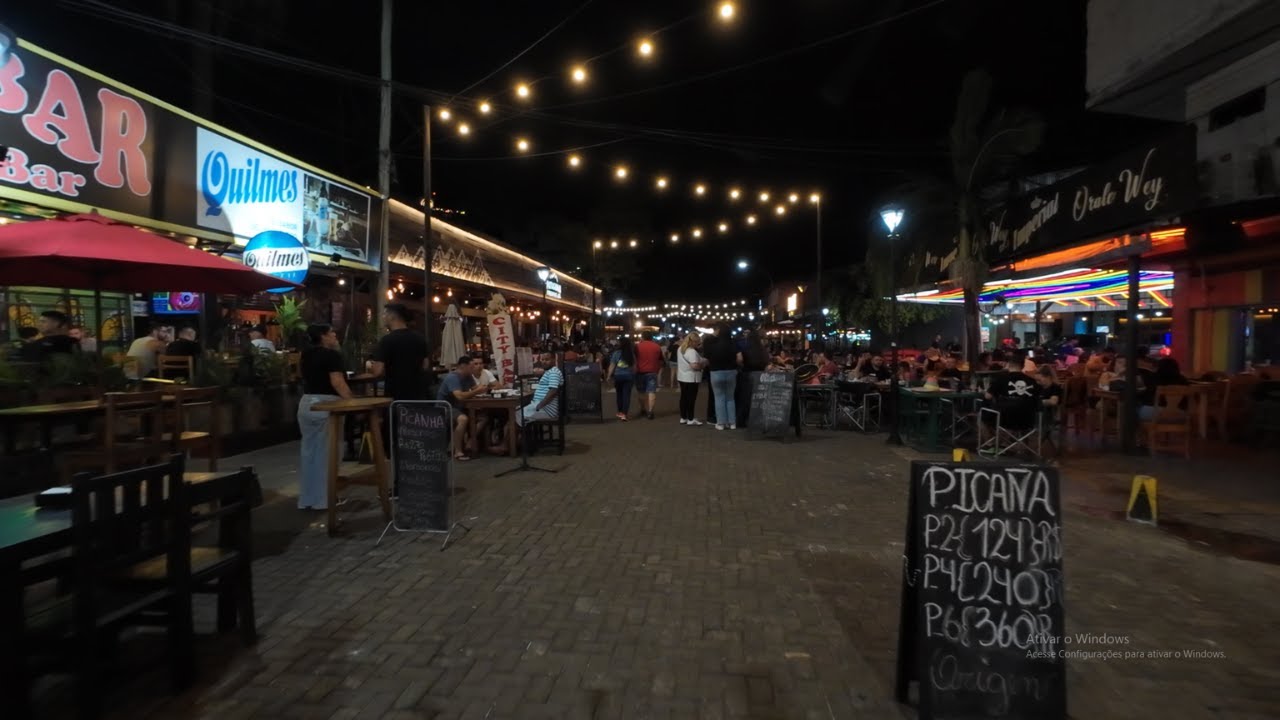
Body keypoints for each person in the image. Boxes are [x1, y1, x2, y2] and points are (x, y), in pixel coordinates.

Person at [296, 324, 353, 510]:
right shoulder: (332, 355)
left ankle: (307, 499)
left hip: (306, 403)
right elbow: (337, 382)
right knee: (328, 453)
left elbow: (300, 375)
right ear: (323, 336)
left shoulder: (305, 355)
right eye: (331, 332)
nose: (335, 335)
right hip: (327, 404)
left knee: (309, 452)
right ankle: (325, 499)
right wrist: (352, 401)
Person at [369, 303, 430, 400]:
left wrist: (371, 366)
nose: (383, 317)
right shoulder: (420, 338)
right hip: (418, 395)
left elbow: (378, 371)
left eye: (384, 314)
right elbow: (425, 365)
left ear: (392, 316)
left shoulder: (386, 340)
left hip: (396, 397)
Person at [437, 355, 493, 461]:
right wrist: (477, 391)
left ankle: (470, 442)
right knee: (463, 419)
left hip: (461, 407)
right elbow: (459, 396)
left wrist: (485, 388)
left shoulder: (468, 376)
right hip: (446, 407)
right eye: (471, 367)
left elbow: (476, 388)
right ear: (463, 366)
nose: (474, 369)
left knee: (483, 417)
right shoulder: (453, 377)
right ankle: (458, 451)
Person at [706, 326, 740, 430]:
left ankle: (721, 423)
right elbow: (740, 359)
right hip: (731, 372)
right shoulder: (733, 344)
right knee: (730, 398)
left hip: (716, 372)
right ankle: (732, 423)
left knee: (719, 398)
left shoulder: (713, 345)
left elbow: (707, 359)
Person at [516, 352, 563, 426]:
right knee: (518, 412)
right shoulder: (549, 372)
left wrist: (539, 405)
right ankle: (524, 430)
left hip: (547, 409)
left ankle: (520, 432)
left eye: (547, 359)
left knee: (516, 415)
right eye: (542, 359)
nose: (544, 362)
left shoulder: (554, 372)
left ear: (553, 360)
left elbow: (553, 390)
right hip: (542, 406)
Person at [633, 332, 664, 420]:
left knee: (641, 392)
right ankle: (650, 412)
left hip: (640, 372)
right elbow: (661, 360)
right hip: (652, 372)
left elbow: (634, 359)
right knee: (651, 392)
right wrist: (657, 369)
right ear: (651, 338)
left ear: (642, 337)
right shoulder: (657, 347)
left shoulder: (637, 346)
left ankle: (643, 409)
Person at [676, 333, 705, 426]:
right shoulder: (691, 351)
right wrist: (702, 365)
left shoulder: (680, 349)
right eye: (697, 342)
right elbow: (695, 366)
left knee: (683, 398)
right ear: (693, 341)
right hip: (692, 378)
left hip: (682, 376)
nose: (698, 344)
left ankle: (683, 417)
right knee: (691, 399)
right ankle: (691, 418)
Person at [606, 337, 636, 421]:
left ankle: (620, 412)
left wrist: (608, 376)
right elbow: (634, 367)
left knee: (619, 395)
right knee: (626, 395)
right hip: (628, 376)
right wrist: (633, 374)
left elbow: (612, 365)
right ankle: (624, 414)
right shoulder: (631, 354)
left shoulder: (616, 353)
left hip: (618, 376)